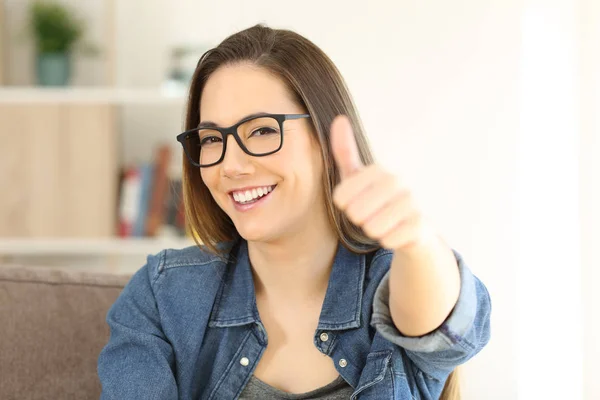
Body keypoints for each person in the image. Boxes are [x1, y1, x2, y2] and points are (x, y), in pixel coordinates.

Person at [98, 24, 491, 400]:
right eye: (212, 139)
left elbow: (447, 328)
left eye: (262, 130)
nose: (231, 165)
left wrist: (417, 241)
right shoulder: (163, 295)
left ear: (324, 137)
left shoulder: (393, 281)